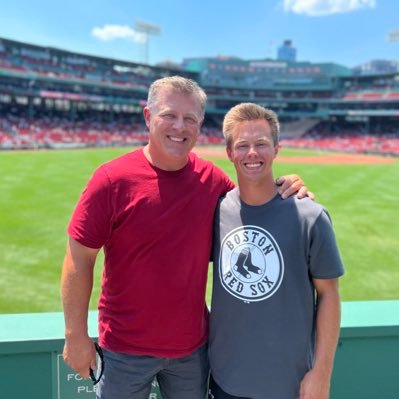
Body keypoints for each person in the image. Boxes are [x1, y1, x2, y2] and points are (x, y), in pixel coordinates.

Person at [61, 76, 311, 399]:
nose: (179, 127)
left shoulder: (213, 180)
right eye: (169, 115)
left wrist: (286, 184)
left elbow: (255, 208)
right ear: (148, 116)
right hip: (124, 350)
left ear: (199, 125)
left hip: (192, 351)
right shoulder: (111, 179)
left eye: (189, 119)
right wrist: (75, 335)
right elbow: (79, 258)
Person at [208, 103, 344, 399]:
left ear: (276, 149)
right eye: (242, 145)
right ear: (230, 153)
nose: (252, 153)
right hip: (223, 380)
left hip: (290, 385)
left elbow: (329, 294)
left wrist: (321, 373)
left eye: (261, 144)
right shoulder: (216, 211)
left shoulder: (311, 216)